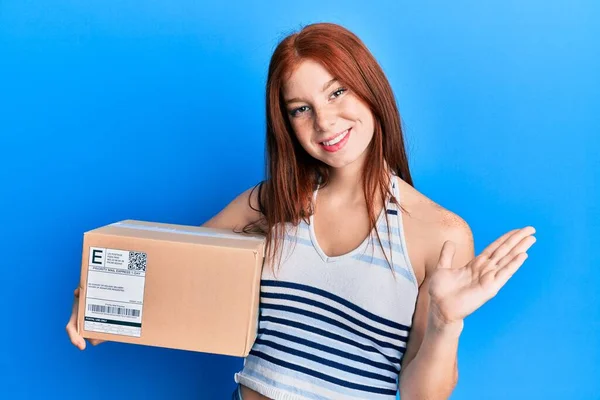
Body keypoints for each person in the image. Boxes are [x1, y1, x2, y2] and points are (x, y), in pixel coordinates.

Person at [66, 22, 536, 400]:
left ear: (370, 89)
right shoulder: (274, 201)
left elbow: (419, 396)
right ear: (285, 124)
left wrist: (444, 323)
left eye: (337, 93)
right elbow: (171, 272)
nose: (325, 121)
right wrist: (98, 308)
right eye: (300, 109)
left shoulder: (440, 234)